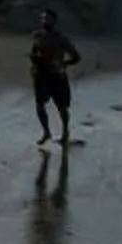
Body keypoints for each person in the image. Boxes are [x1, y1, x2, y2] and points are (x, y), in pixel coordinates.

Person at [30, 8, 82, 144]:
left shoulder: (61, 39)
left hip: (56, 76)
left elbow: (76, 57)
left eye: (47, 18)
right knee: (39, 105)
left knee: (62, 107)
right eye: (42, 18)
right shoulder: (37, 35)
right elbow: (34, 52)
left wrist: (63, 63)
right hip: (40, 75)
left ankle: (65, 131)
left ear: (54, 21)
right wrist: (35, 58)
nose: (44, 21)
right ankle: (46, 132)